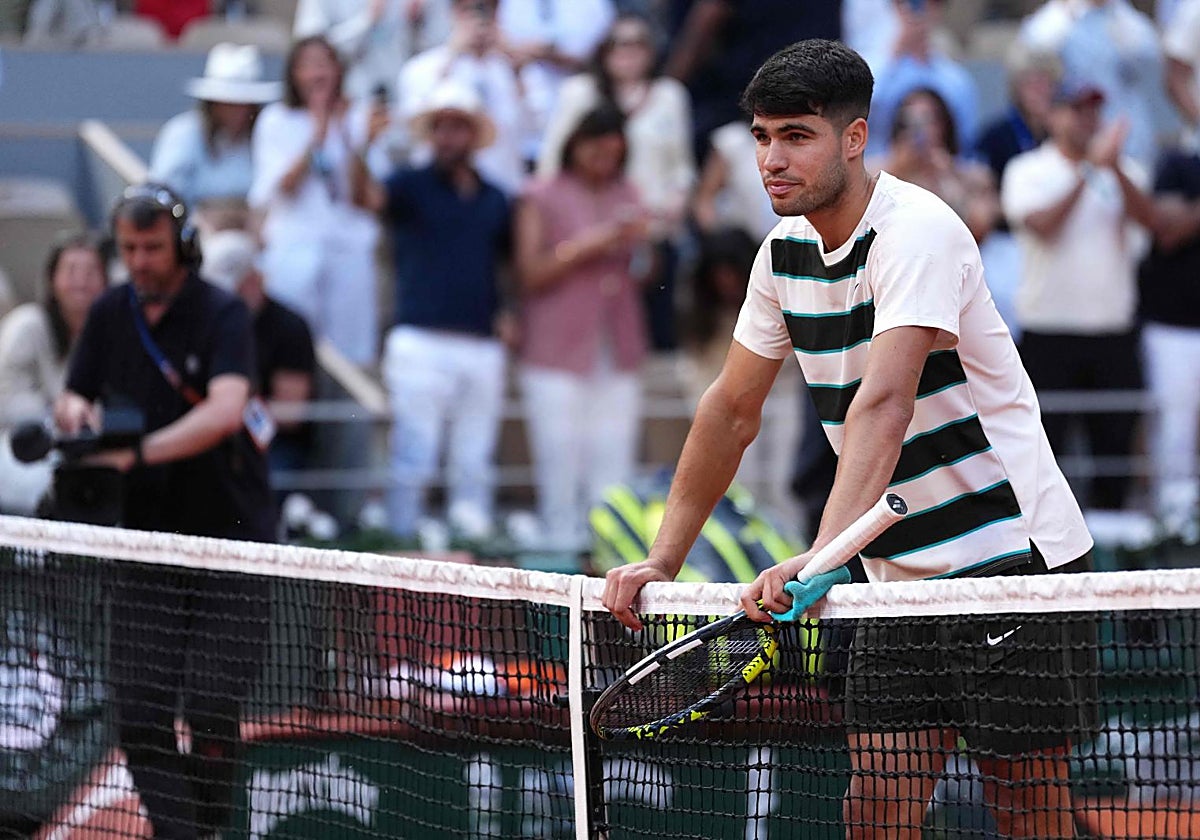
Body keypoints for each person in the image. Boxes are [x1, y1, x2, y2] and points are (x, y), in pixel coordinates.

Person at [602, 40, 1097, 839]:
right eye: (762, 137)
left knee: (1028, 811)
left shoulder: (919, 231)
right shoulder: (781, 256)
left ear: (854, 138)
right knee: (875, 809)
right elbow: (731, 410)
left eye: (795, 136)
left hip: (1012, 561)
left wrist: (820, 556)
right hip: (894, 580)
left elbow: (884, 402)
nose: (771, 159)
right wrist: (665, 555)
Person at [54, 183, 274, 840]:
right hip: (145, 546)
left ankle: (203, 829)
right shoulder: (108, 314)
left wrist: (139, 454)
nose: (141, 261)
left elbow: (226, 408)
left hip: (230, 544)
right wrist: (76, 417)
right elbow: (74, 395)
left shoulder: (223, 313)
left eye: (153, 247)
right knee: (140, 719)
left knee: (210, 708)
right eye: (129, 249)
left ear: (181, 246)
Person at [352, 79, 512, 543]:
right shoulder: (408, 185)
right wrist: (363, 144)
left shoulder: (495, 197)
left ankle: (474, 548)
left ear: (471, 134)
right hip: (420, 338)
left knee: (474, 459)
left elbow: (504, 267)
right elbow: (364, 198)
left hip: (481, 341)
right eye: (441, 128)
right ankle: (403, 543)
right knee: (413, 455)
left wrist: (509, 314)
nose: (449, 137)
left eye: (458, 127)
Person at [1001, 77, 1156, 513]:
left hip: (1113, 333)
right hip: (1050, 335)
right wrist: (1089, 172)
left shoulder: (1126, 171)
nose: (1088, 120)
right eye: (1077, 110)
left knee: (1116, 454)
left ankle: (1119, 559)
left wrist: (1115, 171)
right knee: (1044, 458)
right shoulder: (1027, 170)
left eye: (1094, 111)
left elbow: (1154, 225)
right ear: (1053, 116)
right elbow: (1042, 226)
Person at [514, 106, 652, 550]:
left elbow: (645, 274)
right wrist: (590, 244)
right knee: (559, 457)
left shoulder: (629, 192)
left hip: (617, 341)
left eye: (613, 153)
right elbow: (530, 273)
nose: (604, 162)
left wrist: (645, 241)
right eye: (596, 150)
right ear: (574, 146)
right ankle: (561, 553)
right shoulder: (541, 194)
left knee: (614, 460)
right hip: (557, 345)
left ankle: (609, 551)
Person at [536, 12, 696, 351]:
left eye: (638, 43)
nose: (629, 53)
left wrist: (676, 200)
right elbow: (553, 157)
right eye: (620, 44)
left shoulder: (669, 95)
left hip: (650, 224)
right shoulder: (578, 93)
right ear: (604, 50)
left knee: (652, 318)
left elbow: (681, 165)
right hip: (588, 224)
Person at [249, 35, 388, 368]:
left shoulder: (360, 118)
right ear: (293, 73)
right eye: (307, 65)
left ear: (338, 70)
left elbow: (369, 199)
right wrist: (317, 134)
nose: (317, 73)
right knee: (294, 348)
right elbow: (282, 187)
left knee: (351, 355)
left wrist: (356, 142)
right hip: (294, 246)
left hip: (348, 248)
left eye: (323, 63)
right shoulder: (276, 120)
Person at [200, 229, 316, 490]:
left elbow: (290, 412)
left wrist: (229, 409)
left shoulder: (289, 326)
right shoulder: (211, 321)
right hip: (217, 435)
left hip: (274, 444)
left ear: (255, 279)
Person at [0, 232, 107, 515]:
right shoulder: (27, 325)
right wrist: (60, 415)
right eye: (71, 271)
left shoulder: (113, 333)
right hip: (26, 449)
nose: (81, 282)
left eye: (90, 272)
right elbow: (8, 400)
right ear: (52, 279)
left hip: (93, 452)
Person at [398, 0, 532, 195]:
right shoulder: (422, 67)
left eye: (486, 8)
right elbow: (415, 127)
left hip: (502, 190)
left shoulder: (509, 68)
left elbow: (531, 130)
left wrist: (517, 70)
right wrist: (452, 56)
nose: (478, 17)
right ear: (453, 11)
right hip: (440, 193)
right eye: (468, 9)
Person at [1019, 0, 1165, 172]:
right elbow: (1033, 54)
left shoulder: (1123, 16)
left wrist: (1120, 17)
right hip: (1075, 143)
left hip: (1129, 141)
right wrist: (1063, 13)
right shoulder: (1055, 17)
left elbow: (1150, 59)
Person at [1136, 146, 1200, 538]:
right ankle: (1176, 525)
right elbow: (1165, 229)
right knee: (1175, 426)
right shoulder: (1176, 161)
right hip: (1173, 324)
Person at [149, 43, 281, 216]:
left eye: (244, 104)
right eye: (229, 104)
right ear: (213, 104)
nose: (238, 112)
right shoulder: (183, 133)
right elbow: (165, 194)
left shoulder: (266, 134)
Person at [871, 86, 1000, 245]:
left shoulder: (973, 175)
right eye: (911, 122)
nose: (920, 131)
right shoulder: (876, 170)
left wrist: (947, 176)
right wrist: (896, 168)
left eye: (928, 119)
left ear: (944, 124)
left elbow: (980, 227)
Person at [864, 0, 978, 161]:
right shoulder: (870, 68)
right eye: (905, 2)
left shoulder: (956, 80)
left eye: (927, 3)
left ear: (938, 9)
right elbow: (859, 114)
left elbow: (964, 144)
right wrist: (896, 51)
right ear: (896, 7)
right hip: (880, 175)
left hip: (936, 175)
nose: (915, 9)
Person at [293, 0, 454, 101]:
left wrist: (418, 24)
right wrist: (366, 21)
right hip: (348, 105)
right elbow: (309, 51)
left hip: (404, 102)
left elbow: (442, 52)